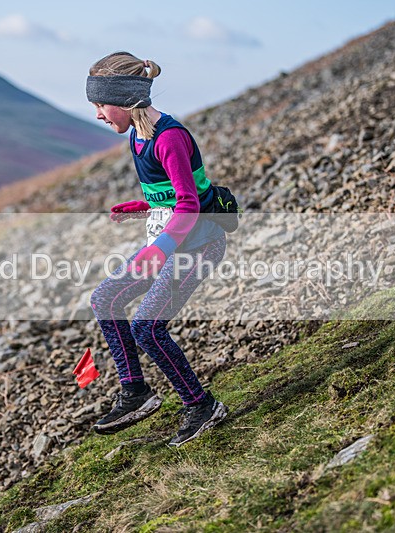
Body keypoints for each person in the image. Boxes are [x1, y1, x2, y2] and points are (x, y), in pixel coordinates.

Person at [86, 51, 228, 447]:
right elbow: (176, 194)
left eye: (101, 105)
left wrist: (160, 249)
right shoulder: (138, 134)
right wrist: (145, 206)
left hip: (199, 244)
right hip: (170, 242)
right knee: (104, 299)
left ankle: (201, 406)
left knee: (147, 328)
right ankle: (136, 393)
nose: (98, 114)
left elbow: (190, 204)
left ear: (127, 100)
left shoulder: (169, 138)